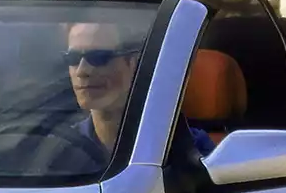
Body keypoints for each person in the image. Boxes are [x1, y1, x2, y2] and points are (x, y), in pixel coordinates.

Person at [64, 20, 215, 156]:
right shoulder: (60, 148)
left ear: (134, 63)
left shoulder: (190, 148)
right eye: (73, 59)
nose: (81, 71)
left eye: (99, 58)